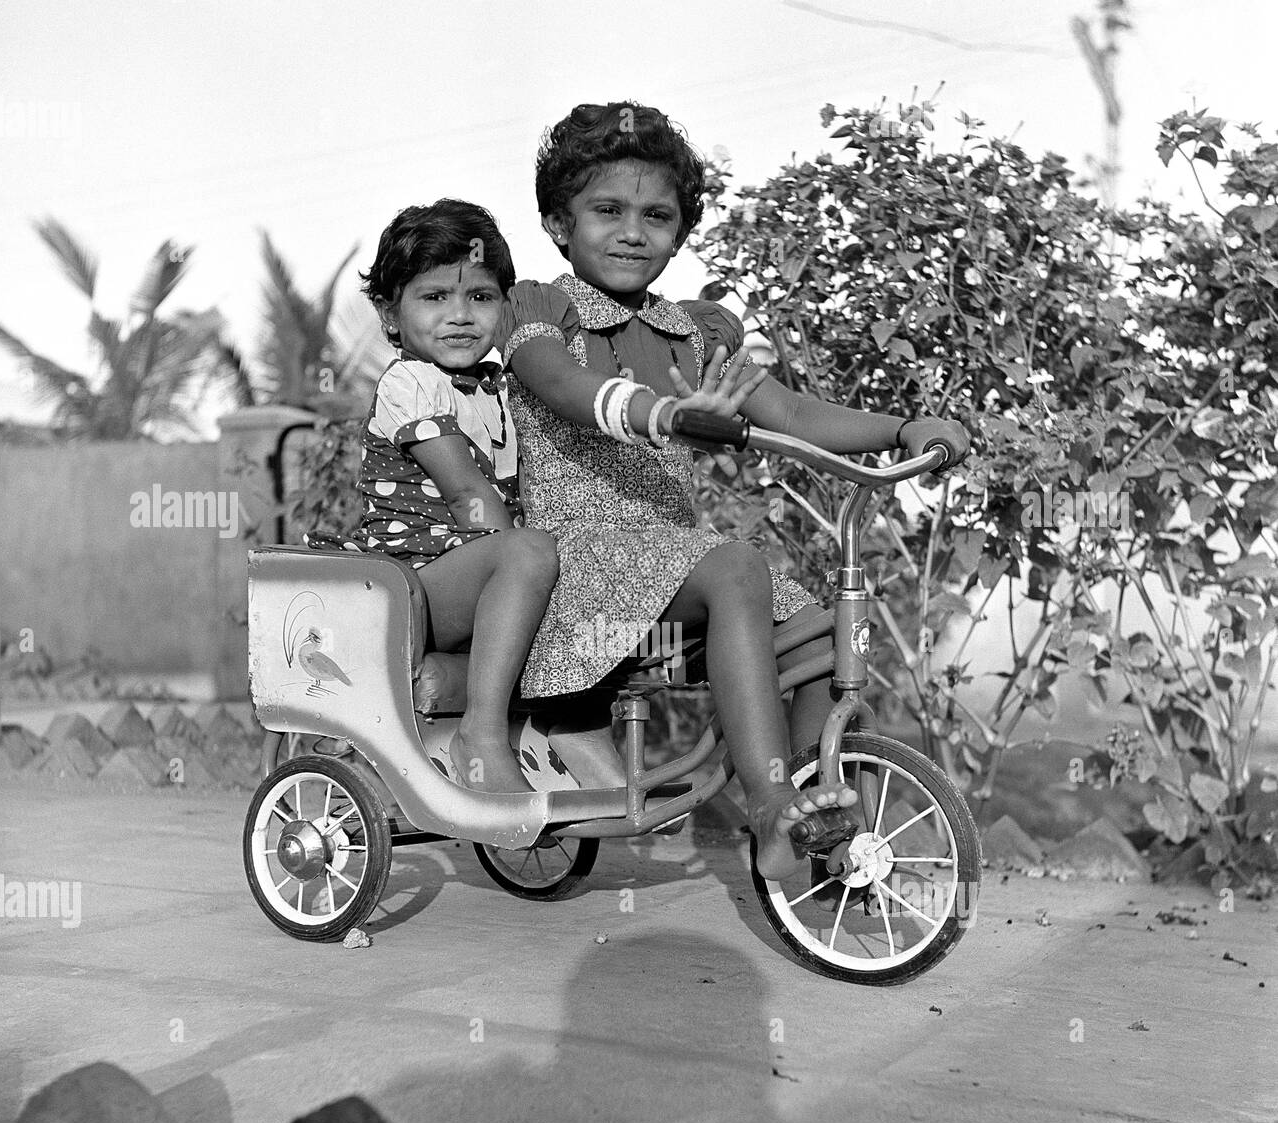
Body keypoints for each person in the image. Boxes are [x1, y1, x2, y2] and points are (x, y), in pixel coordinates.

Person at [497, 101, 970, 877]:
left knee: (822, 630)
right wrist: (659, 411)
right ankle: (769, 803)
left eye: (657, 216)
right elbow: (561, 386)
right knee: (737, 565)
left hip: (673, 567)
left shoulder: (697, 330)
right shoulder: (541, 310)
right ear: (558, 223)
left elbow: (785, 411)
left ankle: (816, 802)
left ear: (680, 234)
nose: (632, 231)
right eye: (606, 210)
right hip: (575, 570)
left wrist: (905, 427)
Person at [306, 199, 555, 794]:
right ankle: (483, 734)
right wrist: (523, 556)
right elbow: (467, 491)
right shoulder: (411, 383)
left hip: (468, 581)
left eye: (481, 297)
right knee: (529, 554)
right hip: (411, 589)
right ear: (391, 315)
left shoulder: (500, 388)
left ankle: (476, 698)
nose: (461, 316)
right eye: (435, 297)